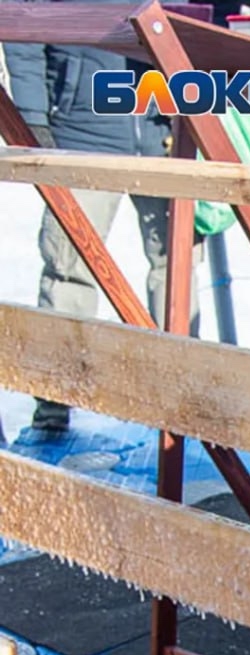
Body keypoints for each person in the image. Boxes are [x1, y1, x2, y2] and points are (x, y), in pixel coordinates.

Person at [5, 35, 200, 432]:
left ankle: (180, 389)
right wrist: (33, 118)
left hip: (162, 133)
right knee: (68, 265)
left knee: (177, 267)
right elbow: (23, 35)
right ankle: (56, 395)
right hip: (82, 133)